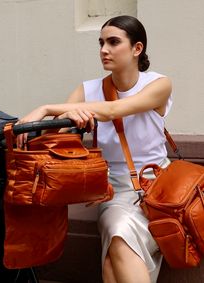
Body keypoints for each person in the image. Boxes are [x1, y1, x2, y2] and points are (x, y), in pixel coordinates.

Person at [17, 15, 172, 283]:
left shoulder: (159, 84)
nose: (104, 50)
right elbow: (52, 140)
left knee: (115, 254)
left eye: (113, 42)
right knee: (119, 233)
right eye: (101, 42)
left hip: (157, 187)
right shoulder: (87, 90)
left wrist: (46, 108)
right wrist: (68, 122)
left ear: (137, 48)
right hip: (112, 191)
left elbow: (114, 110)